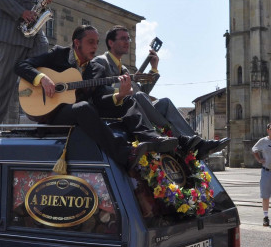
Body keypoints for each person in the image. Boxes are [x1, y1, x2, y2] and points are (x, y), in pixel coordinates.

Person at [15, 25, 177, 168]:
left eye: (97, 42)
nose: (95, 46)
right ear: (77, 43)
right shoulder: (59, 54)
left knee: (127, 100)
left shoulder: (97, 69)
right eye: (90, 42)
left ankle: (152, 139)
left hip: (81, 114)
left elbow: (100, 101)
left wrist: (119, 95)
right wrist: (42, 79)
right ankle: (124, 153)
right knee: (83, 107)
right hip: (52, 116)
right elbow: (20, 65)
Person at [89, 26, 228, 160]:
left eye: (128, 39)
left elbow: (142, 92)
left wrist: (153, 69)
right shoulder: (101, 61)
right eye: (123, 38)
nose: (127, 42)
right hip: (117, 111)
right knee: (138, 96)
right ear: (111, 42)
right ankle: (177, 139)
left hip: (135, 107)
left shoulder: (124, 69)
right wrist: (120, 90)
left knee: (165, 102)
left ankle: (197, 144)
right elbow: (100, 91)